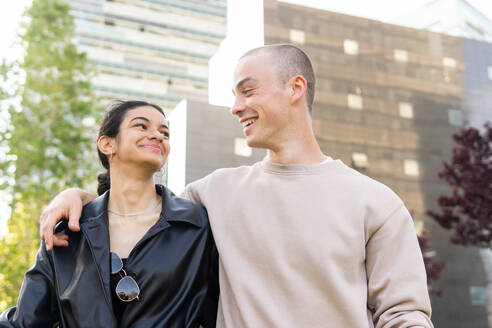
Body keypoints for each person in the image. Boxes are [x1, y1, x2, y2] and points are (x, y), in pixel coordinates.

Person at [39, 44, 433, 327]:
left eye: (248, 90)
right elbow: (136, 206)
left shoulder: (375, 202)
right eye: (234, 95)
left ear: (295, 89)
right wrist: (77, 197)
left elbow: (404, 315)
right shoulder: (214, 193)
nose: (235, 107)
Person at [0, 100, 218, 328]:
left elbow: (221, 313)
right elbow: (25, 322)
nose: (157, 135)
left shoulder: (196, 225)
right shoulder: (69, 230)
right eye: (142, 126)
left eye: (164, 132)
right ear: (107, 144)